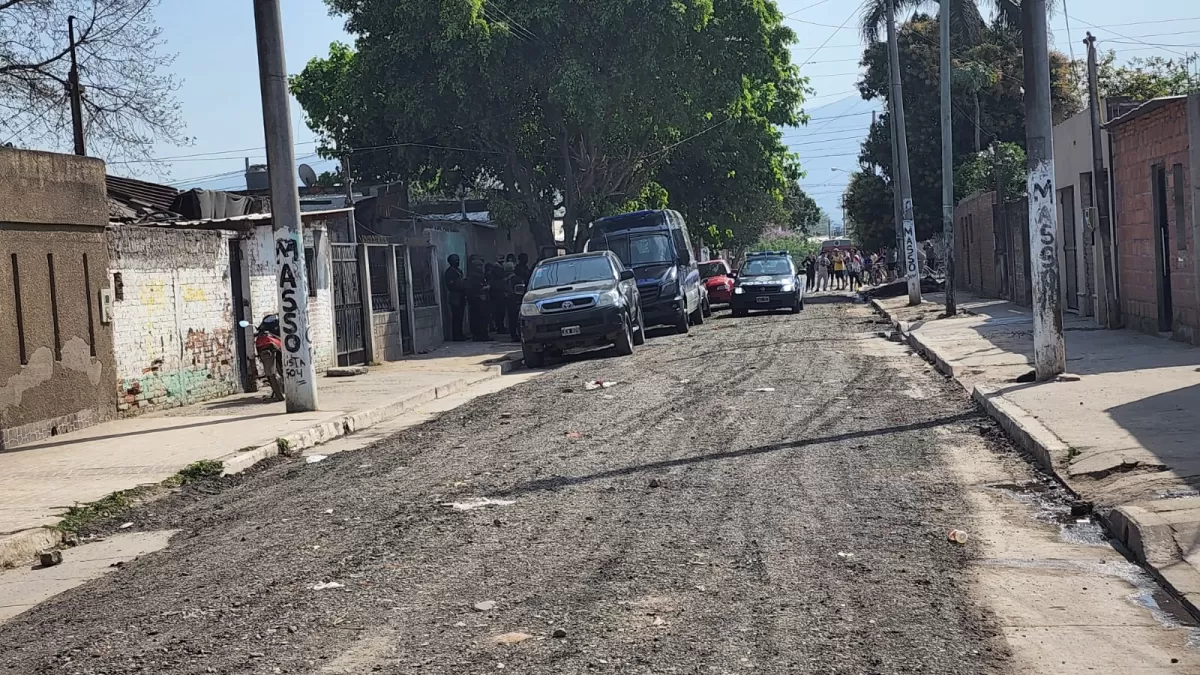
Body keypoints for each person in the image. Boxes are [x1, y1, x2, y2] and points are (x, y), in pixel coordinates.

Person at [465, 255, 493, 341]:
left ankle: (479, 335)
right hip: (479, 300)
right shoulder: (475, 276)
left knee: (478, 318)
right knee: (481, 319)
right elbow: (478, 288)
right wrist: (487, 287)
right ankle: (482, 335)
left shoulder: (475, 275)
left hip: (476, 300)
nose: (480, 267)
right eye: (479, 266)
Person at [443, 254, 467, 341]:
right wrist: (461, 285)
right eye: (455, 261)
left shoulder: (458, 271)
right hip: (455, 297)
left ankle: (460, 334)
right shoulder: (450, 272)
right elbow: (452, 285)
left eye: (458, 260)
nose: (457, 262)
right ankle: (456, 336)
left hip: (461, 296)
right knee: (456, 317)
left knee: (460, 317)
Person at [487, 262, 508, 333]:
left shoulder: (494, 279)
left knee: (499, 313)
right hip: (498, 297)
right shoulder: (496, 280)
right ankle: (500, 327)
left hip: (496, 297)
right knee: (499, 313)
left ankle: (500, 327)